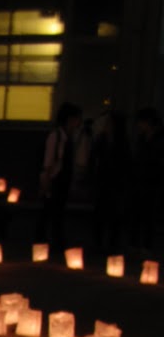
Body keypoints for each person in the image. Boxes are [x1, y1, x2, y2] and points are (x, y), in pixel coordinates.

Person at [36, 101, 83, 257]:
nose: (78, 123)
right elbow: (49, 162)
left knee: (56, 212)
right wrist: (46, 183)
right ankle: (45, 242)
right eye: (77, 119)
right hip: (55, 179)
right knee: (50, 212)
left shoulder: (68, 137)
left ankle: (51, 241)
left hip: (62, 179)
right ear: (70, 119)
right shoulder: (56, 136)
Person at [87, 108, 131, 258]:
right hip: (102, 182)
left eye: (109, 123)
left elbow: (126, 165)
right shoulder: (101, 140)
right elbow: (93, 159)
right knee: (99, 214)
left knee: (115, 216)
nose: (107, 125)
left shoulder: (122, 142)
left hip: (116, 184)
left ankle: (113, 244)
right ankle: (98, 243)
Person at [129, 106, 164, 255]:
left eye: (141, 122)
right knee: (136, 213)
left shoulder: (159, 139)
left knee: (149, 214)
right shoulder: (141, 139)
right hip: (139, 180)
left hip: (153, 182)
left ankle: (146, 244)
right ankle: (135, 243)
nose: (139, 126)